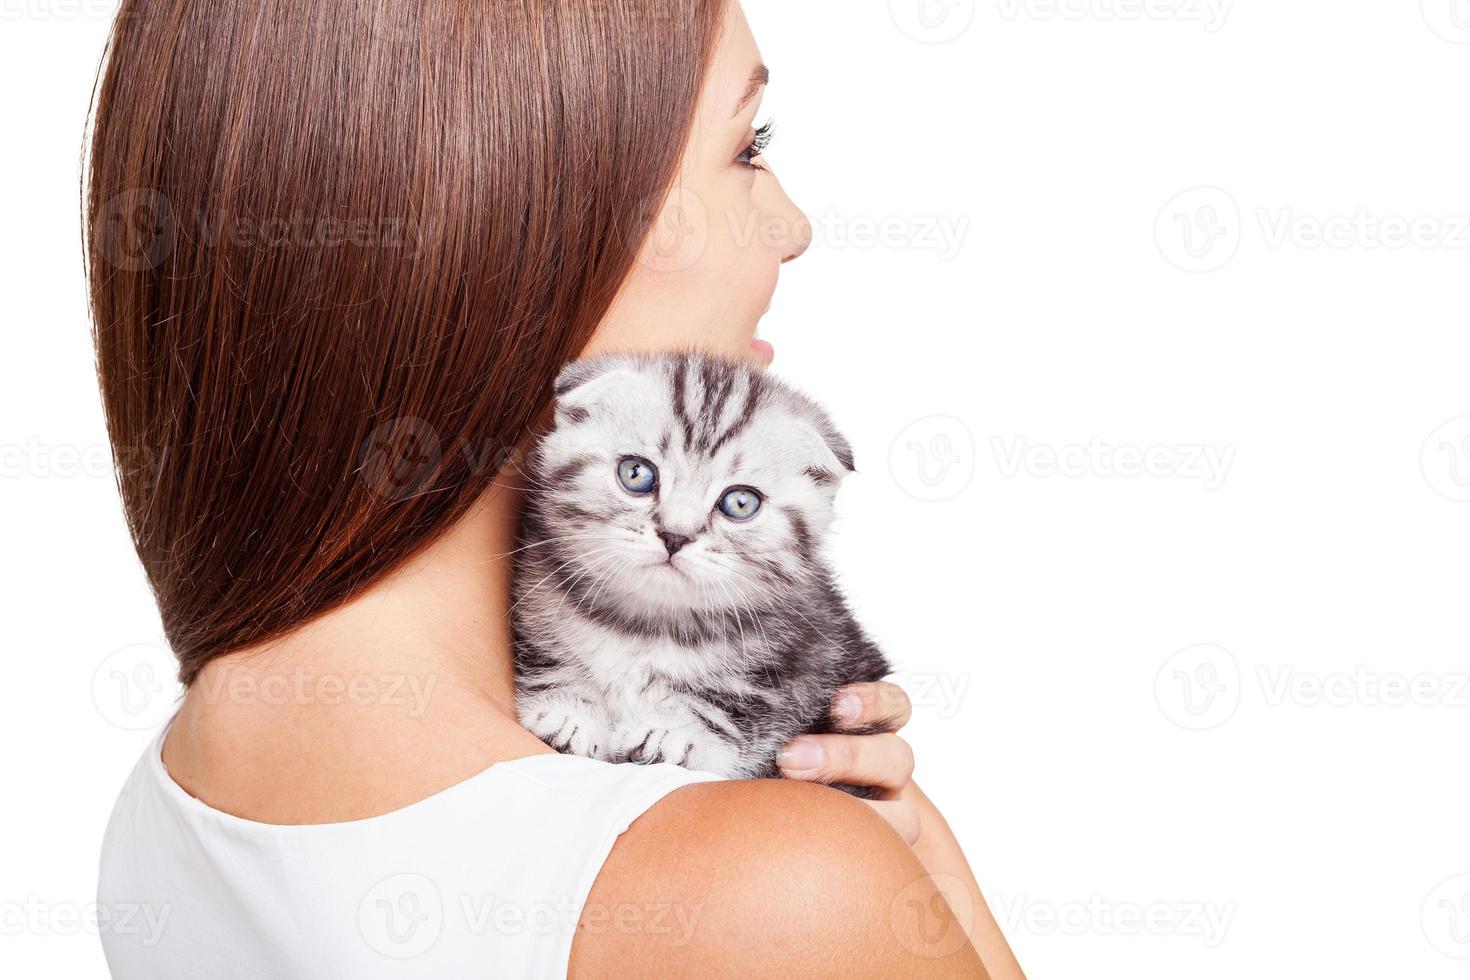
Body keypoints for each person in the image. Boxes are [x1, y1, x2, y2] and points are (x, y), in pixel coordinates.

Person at [88, 1, 1024, 976]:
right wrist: (915, 881)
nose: (791, 227)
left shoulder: (167, 793)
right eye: (748, 148)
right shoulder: (775, 892)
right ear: (504, 215)